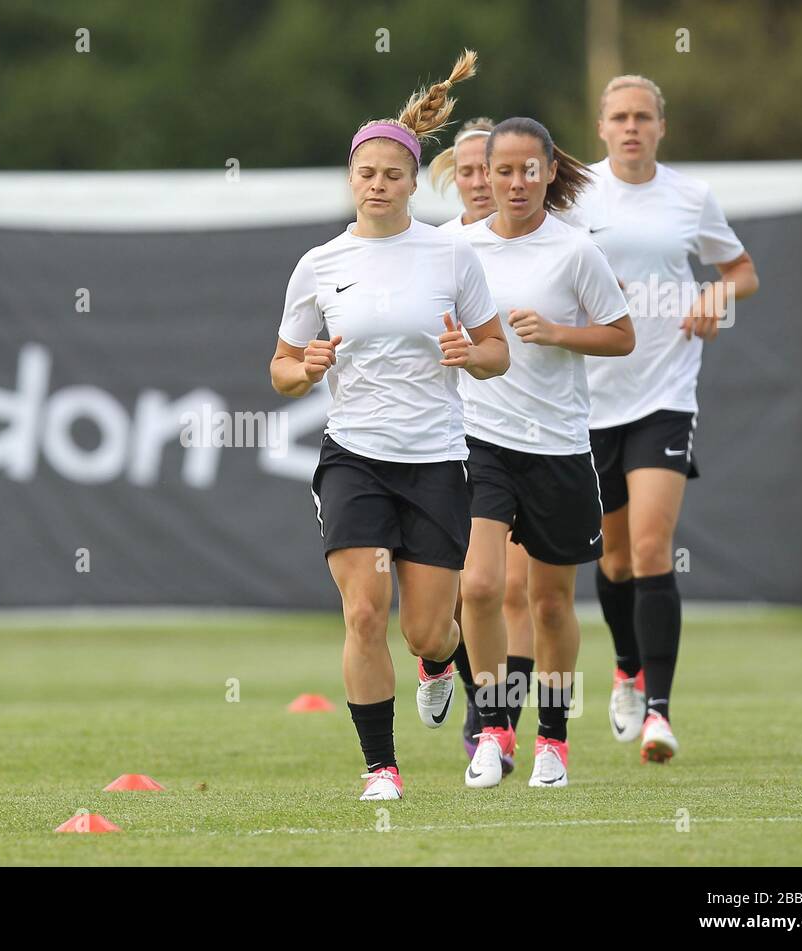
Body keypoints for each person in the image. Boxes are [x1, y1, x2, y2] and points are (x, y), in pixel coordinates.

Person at [270, 50, 509, 800]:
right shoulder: (319, 265)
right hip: (355, 460)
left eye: (393, 174)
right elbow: (279, 369)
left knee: (428, 631)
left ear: (413, 181)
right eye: (366, 173)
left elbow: (497, 353)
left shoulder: (450, 253)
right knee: (366, 612)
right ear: (351, 177)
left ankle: (440, 667)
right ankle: (381, 768)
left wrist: (471, 355)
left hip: (435, 462)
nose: (379, 184)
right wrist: (304, 368)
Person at [577, 75, 759, 763]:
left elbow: (743, 270)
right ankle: (626, 668)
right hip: (590, 401)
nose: (631, 127)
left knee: (652, 548)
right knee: (615, 557)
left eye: (642, 117)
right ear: (601, 127)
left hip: (665, 395)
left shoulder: (690, 197)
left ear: (661, 125)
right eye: (619, 116)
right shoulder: (575, 195)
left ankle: (659, 712)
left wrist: (717, 295)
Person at [457, 117, 634, 789]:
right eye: (503, 170)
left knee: (553, 605)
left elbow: (620, 337)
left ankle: (552, 741)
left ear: (550, 171)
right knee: (479, 585)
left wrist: (560, 332)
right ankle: (496, 728)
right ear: (486, 174)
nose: (515, 182)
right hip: (480, 442)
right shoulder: (456, 247)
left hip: (558, 446)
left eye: (529, 169)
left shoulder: (574, 250)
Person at [432, 120, 535, 766]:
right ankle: (470, 686)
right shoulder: (434, 249)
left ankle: (501, 726)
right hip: (458, 439)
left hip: (534, 435)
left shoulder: (546, 242)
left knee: (518, 593)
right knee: (469, 589)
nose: (478, 182)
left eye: (487, 169)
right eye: (466, 171)